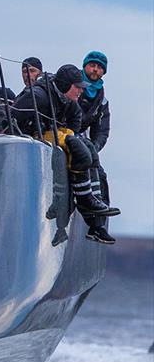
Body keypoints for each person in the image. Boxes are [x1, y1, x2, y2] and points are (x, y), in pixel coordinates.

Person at [14, 64, 119, 221]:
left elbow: (76, 117)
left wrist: (68, 133)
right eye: (77, 87)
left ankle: (93, 199)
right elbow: (12, 119)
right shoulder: (39, 96)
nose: (81, 91)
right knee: (78, 148)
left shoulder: (68, 99)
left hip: (51, 133)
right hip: (33, 138)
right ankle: (84, 201)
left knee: (87, 147)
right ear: (65, 85)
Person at [78, 51, 115, 244]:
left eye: (100, 67)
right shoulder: (72, 85)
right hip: (65, 135)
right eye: (92, 65)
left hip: (84, 144)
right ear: (85, 66)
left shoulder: (102, 99)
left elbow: (102, 131)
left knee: (100, 175)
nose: (95, 69)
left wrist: (95, 147)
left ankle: (98, 226)